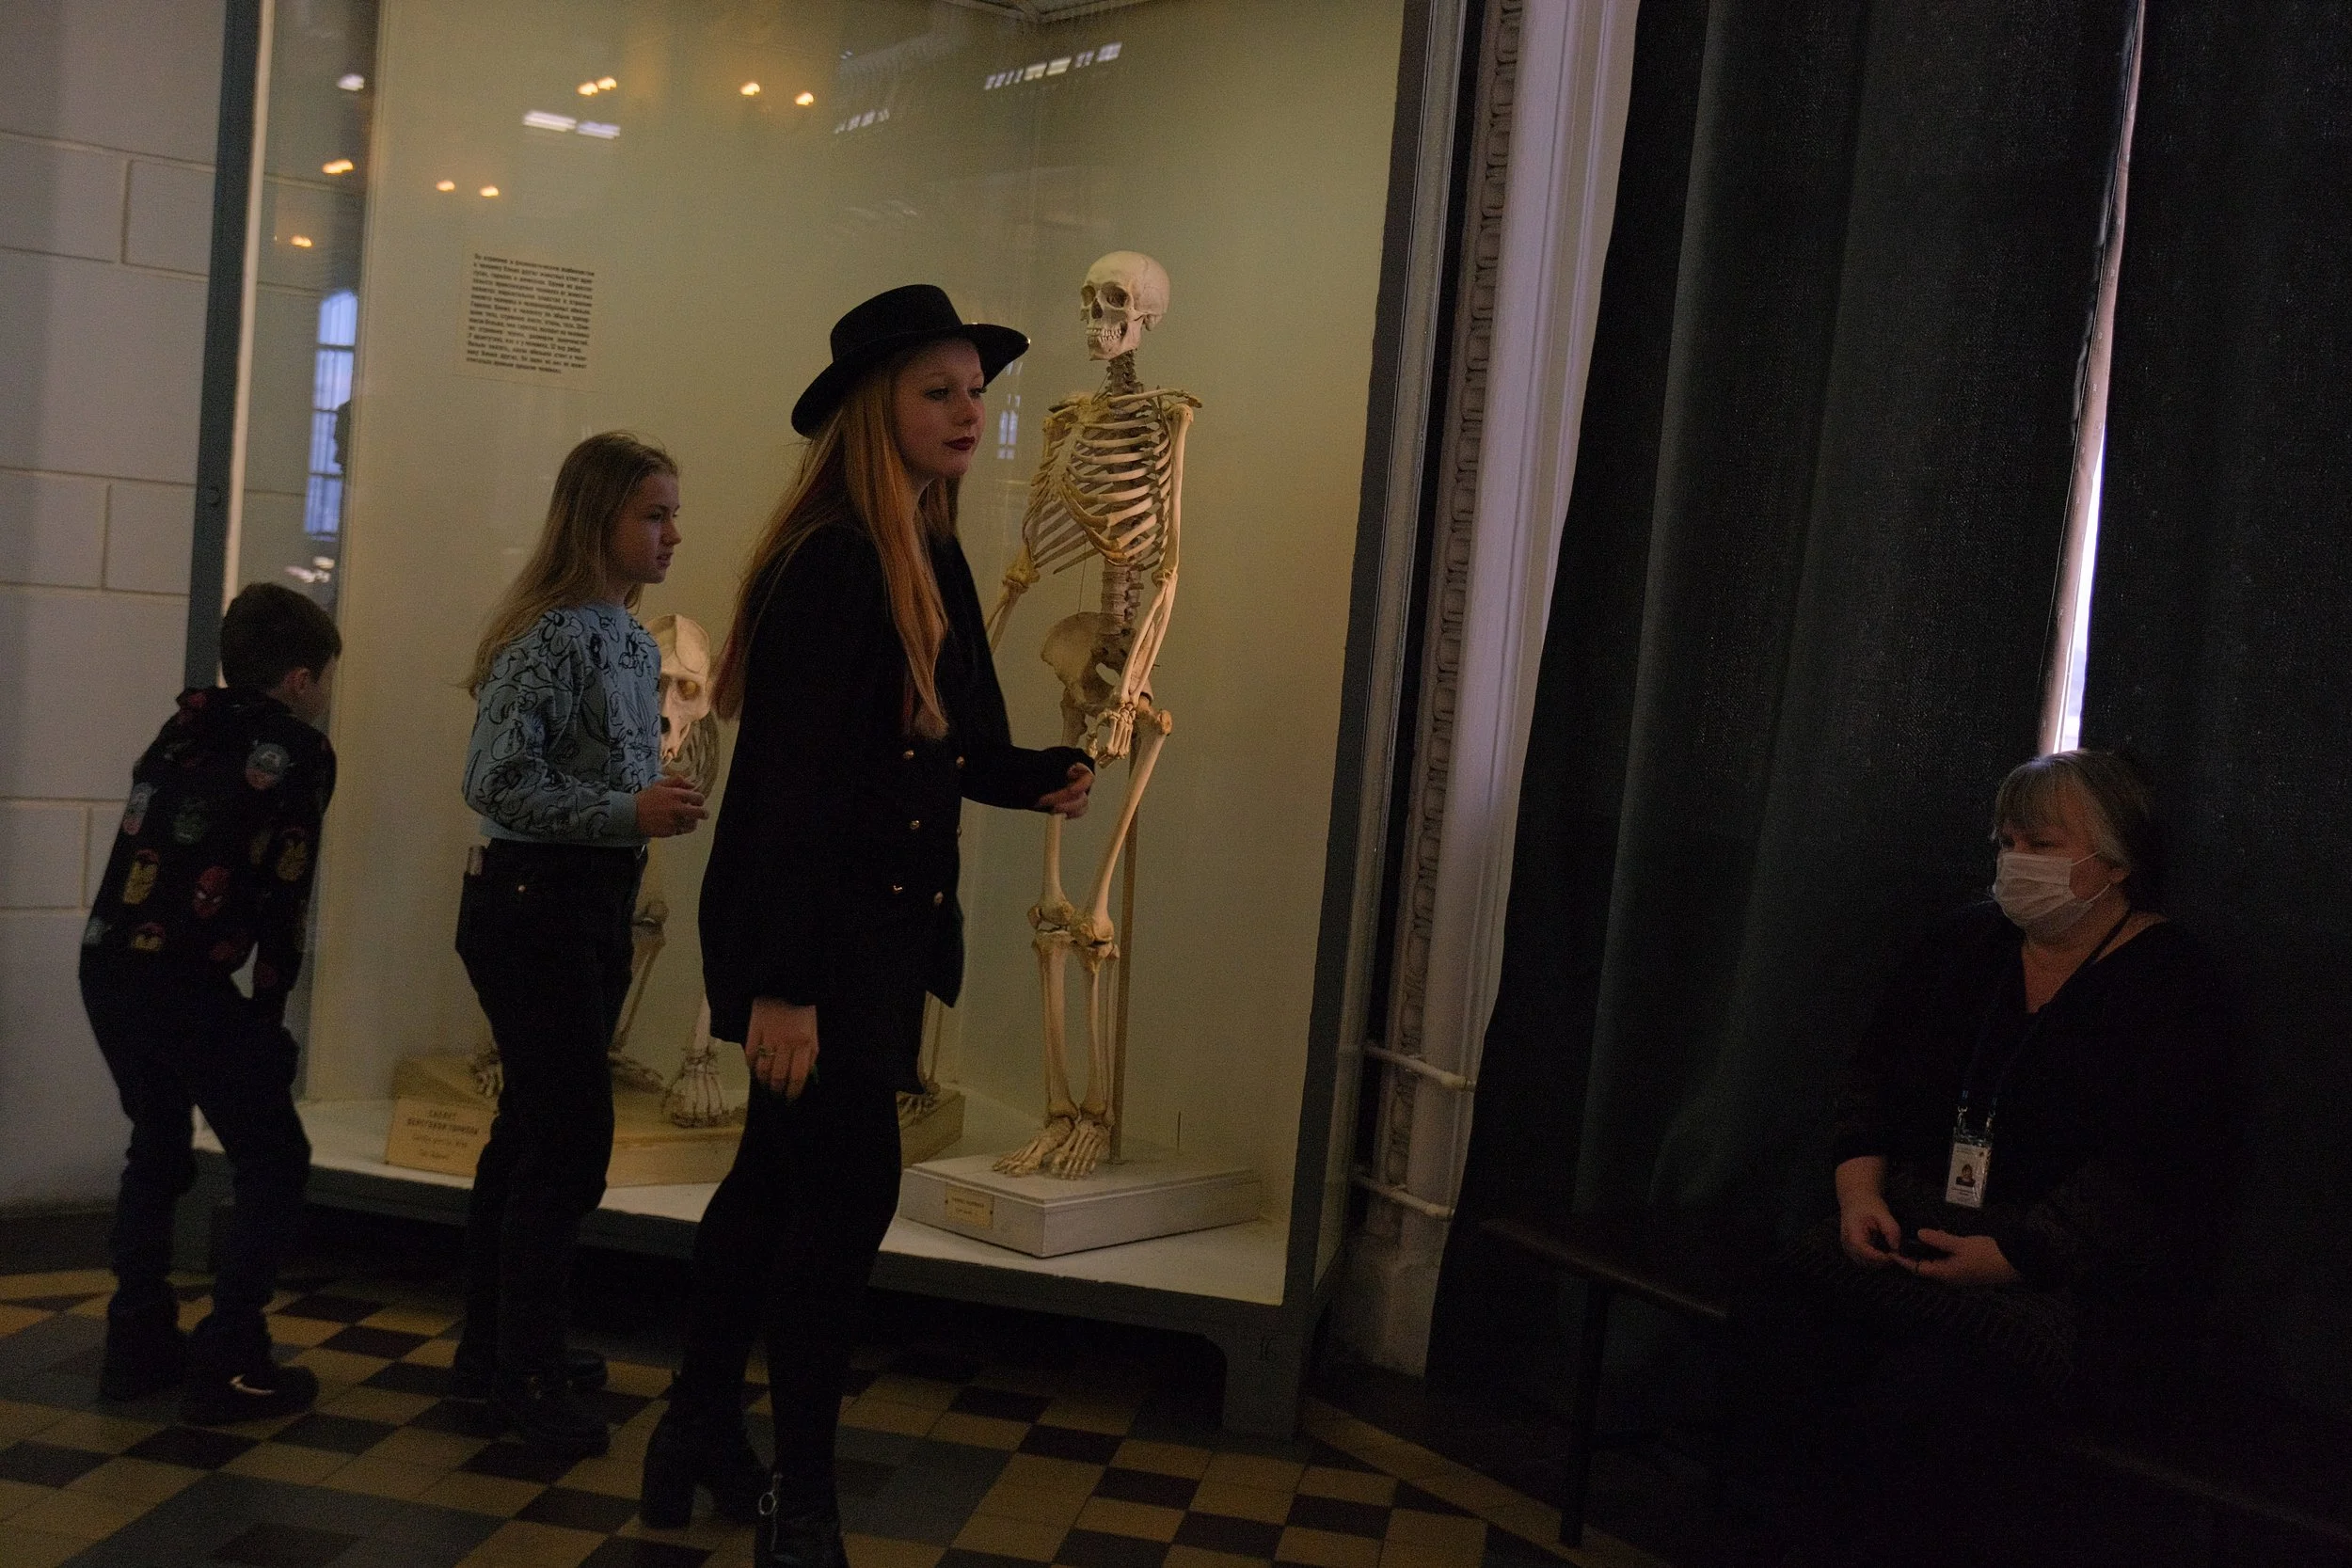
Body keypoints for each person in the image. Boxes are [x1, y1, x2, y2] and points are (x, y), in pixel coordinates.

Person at [644, 286, 1094, 1560]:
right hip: (815, 938)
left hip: (874, 929)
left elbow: (957, 738)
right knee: (841, 1204)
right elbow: (788, 788)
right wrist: (782, 987)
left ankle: (694, 1432)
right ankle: (805, 1492)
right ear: (872, 408)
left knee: (773, 1179)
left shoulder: (924, 540)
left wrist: (1036, 769)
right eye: (936, 391)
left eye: (973, 391)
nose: (967, 412)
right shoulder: (835, 556)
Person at [1753, 749, 2233, 1563]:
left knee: (1926, 1400)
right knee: (1780, 1328)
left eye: (2040, 843)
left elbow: (2153, 1171)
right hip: (1911, 1224)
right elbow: (1868, 1077)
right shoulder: (1962, 945)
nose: (2015, 861)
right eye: (2006, 839)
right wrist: (1858, 1194)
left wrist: (2011, 1256)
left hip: (2063, 1281)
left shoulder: (2173, 986)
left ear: (2112, 862)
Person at [453, 432, 708, 1459]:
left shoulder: (629, 637)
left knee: (530, 1133)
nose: (671, 533)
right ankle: (523, 1367)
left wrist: (639, 812)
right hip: (535, 902)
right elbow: (495, 781)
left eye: (671, 513)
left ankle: (503, 1342)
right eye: (652, 513)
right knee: (563, 1145)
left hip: (586, 902)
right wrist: (625, 810)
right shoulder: (551, 635)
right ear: (595, 516)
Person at [80, 581, 340, 1423]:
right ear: (299, 679)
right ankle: (232, 1355)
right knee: (274, 1156)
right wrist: (268, 1017)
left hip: (110, 966)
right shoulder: (296, 751)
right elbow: (285, 890)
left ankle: (136, 1338)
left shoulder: (182, 725)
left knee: (157, 1142)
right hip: (187, 982)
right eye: (326, 677)